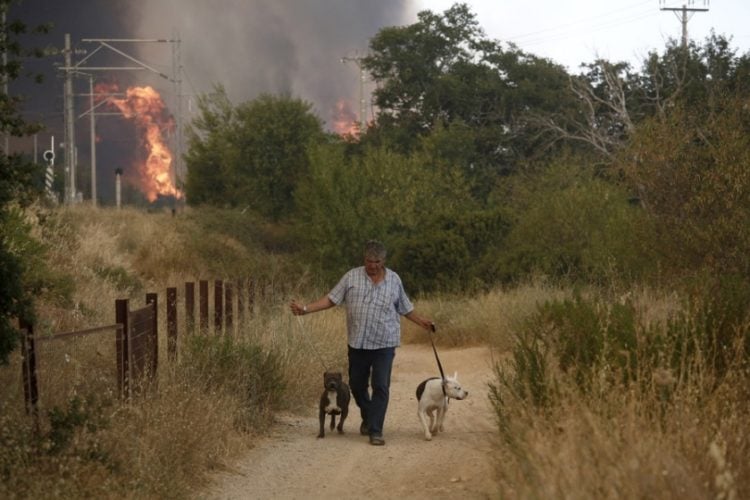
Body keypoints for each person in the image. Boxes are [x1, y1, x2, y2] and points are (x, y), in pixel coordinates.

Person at [290, 240, 434, 446]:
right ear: (363, 259)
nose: (372, 265)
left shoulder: (394, 279)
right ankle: (369, 415)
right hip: (358, 343)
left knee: (380, 386)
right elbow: (331, 299)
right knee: (356, 386)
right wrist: (305, 309)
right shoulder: (351, 277)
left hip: (384, 343)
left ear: (383, 261)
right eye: (368, 260)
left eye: (376, 261)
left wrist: (422, 322)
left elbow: (405, 307)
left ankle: (375, 430)